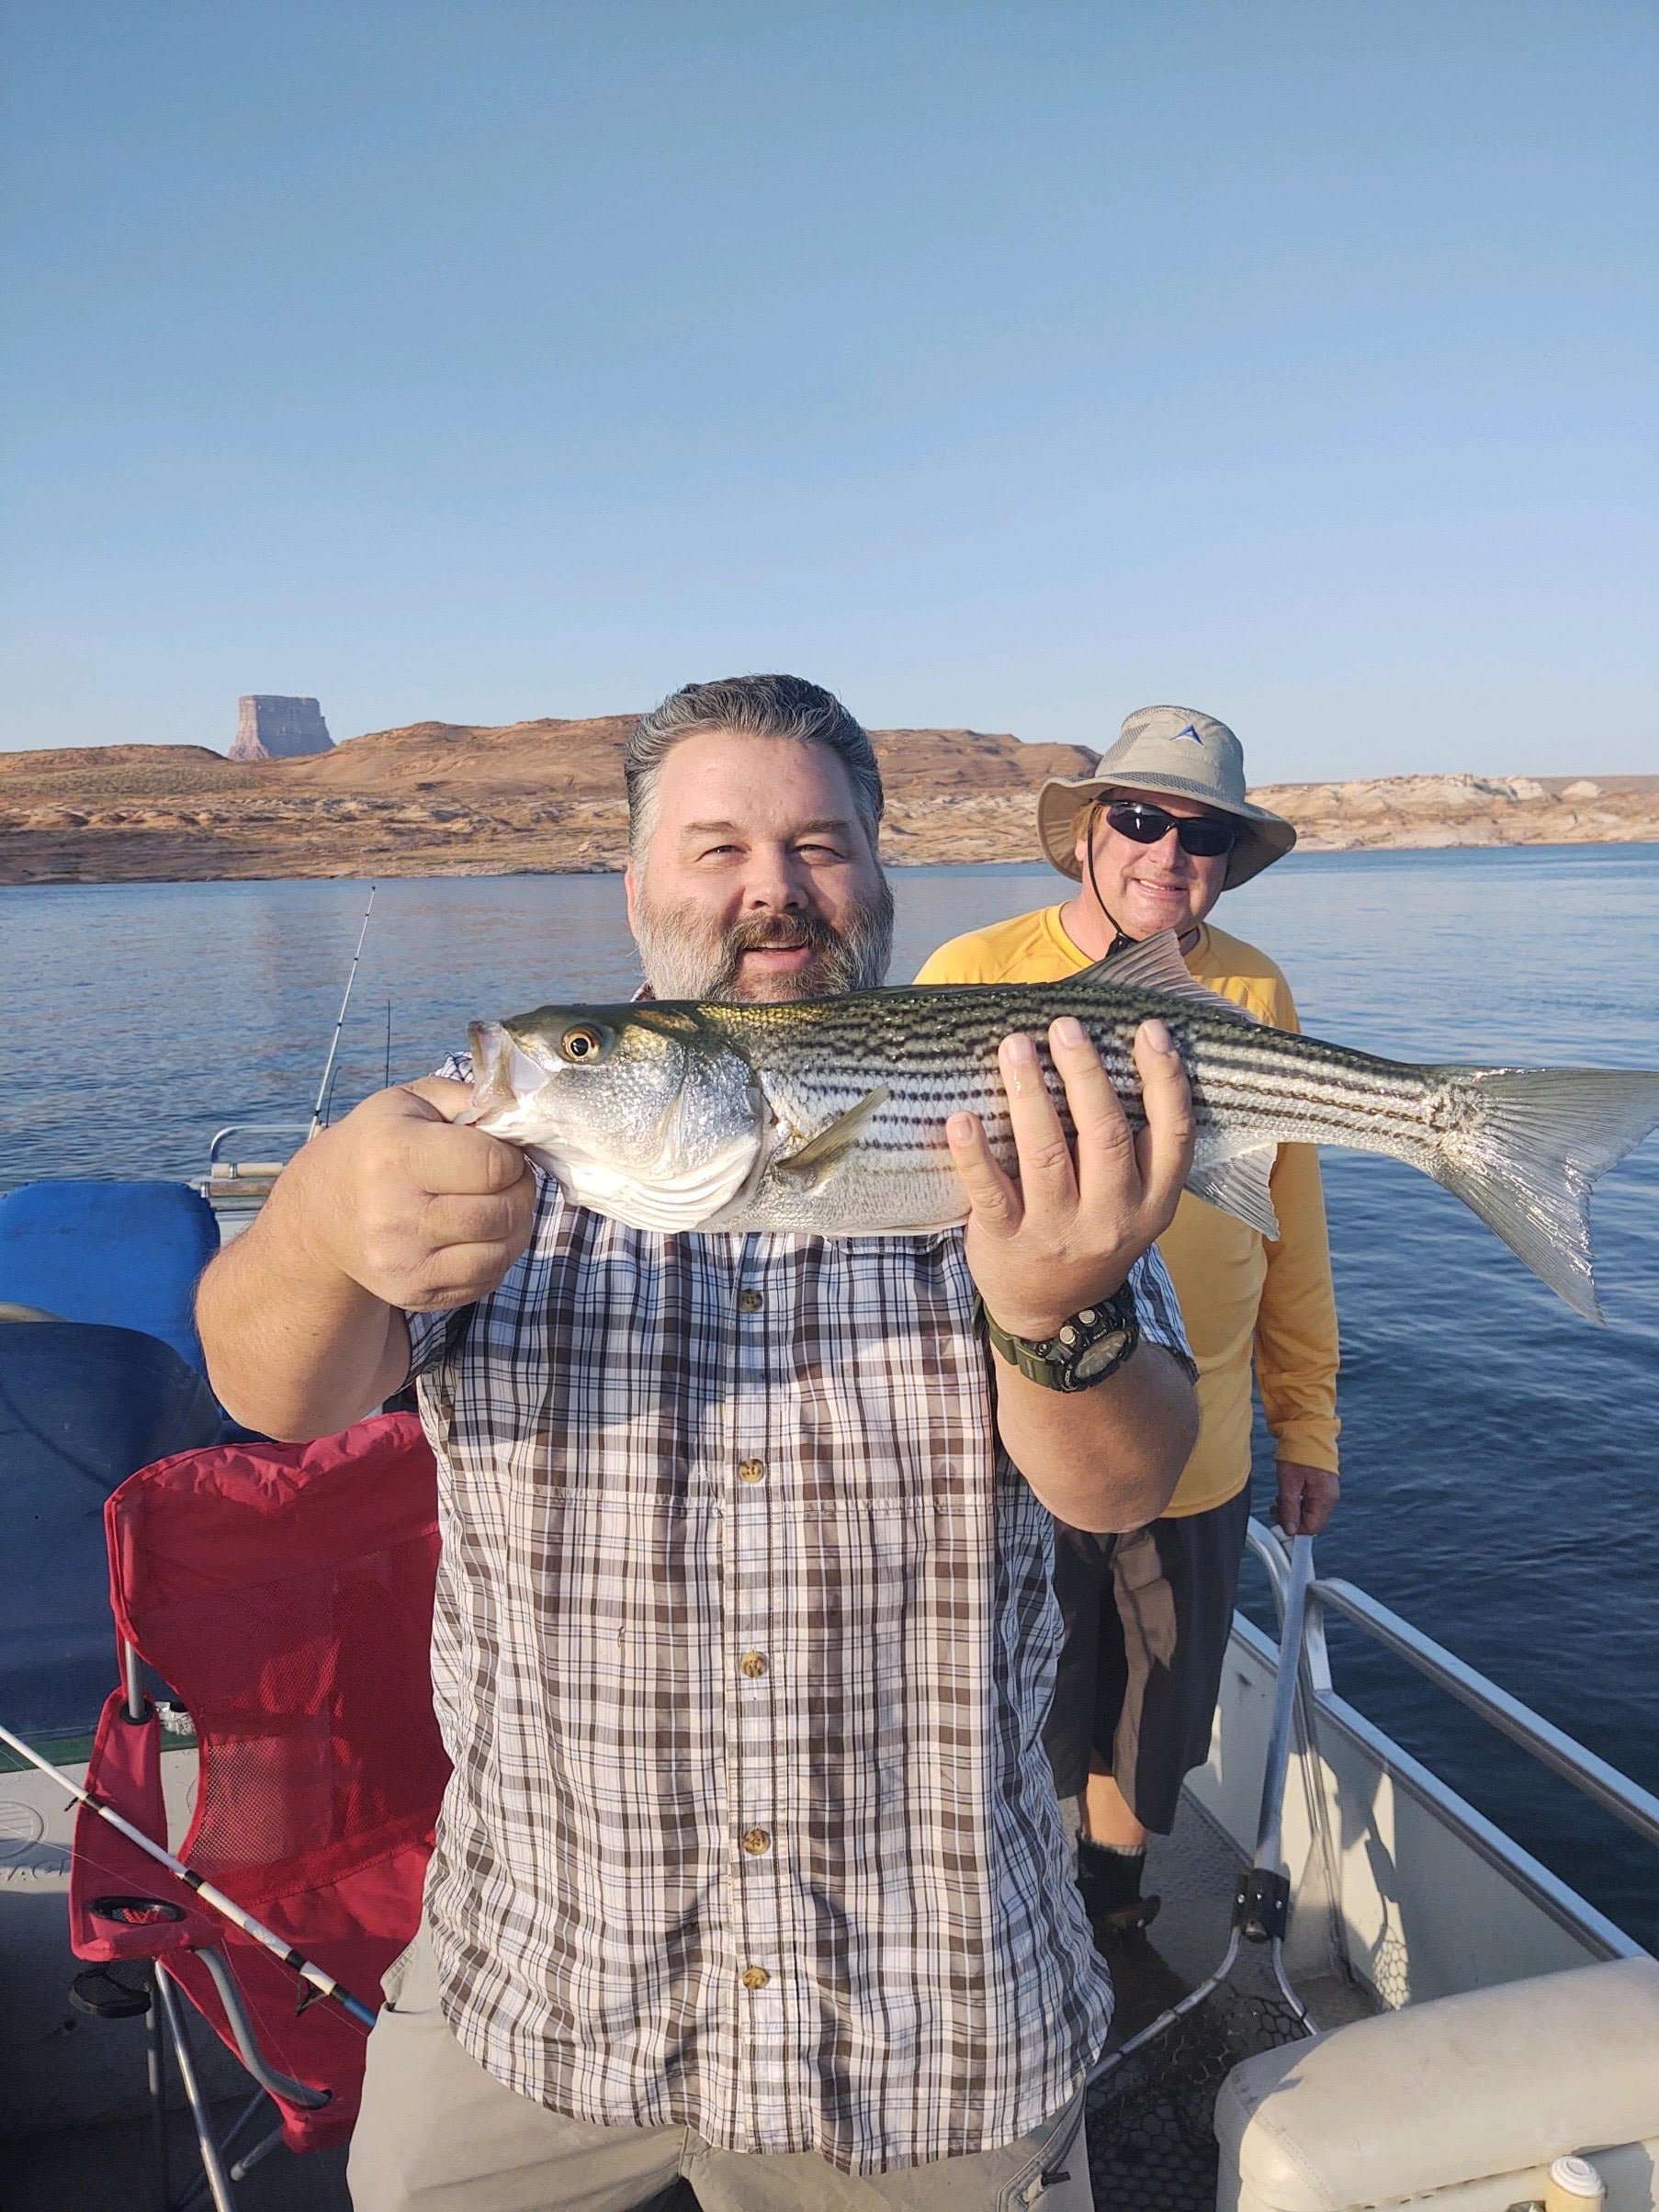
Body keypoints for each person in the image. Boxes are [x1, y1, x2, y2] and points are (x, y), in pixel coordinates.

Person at [197, 673, 1201, 2211]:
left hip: (925, 2028)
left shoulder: (1001, 1127)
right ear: (637, 887)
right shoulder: (480, 1145)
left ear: (878, 877)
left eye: (819, 846)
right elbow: (272, 1394)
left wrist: (1056, 1314)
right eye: (715, 846)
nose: (770, 892)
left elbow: (1122, 1482)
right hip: (537, 1988)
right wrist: (319, 1221)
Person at [917, 704, 1341, 1947]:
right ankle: (1016, 1918)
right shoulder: (972, 970)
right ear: (1089, 834)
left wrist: (1303, 1422)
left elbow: (1289, 1219)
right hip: (1017, 1440)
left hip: (1199, 1444)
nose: (1169, 852)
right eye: (1142, 820)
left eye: (1201, 834)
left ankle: (1111, 1920)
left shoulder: (1254, 986)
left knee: (1152, 1717)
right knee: (1018, 1703)